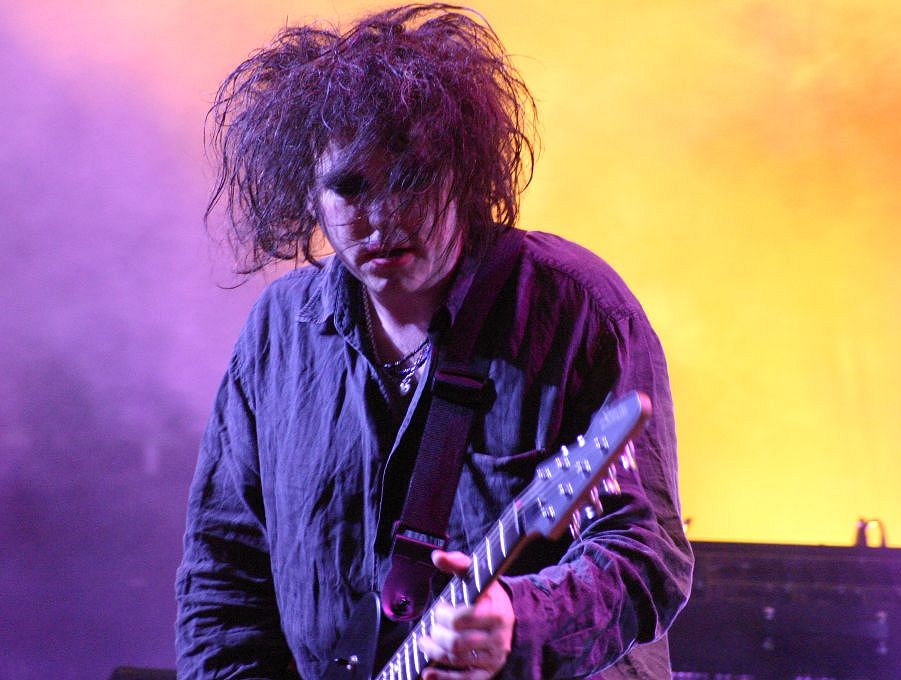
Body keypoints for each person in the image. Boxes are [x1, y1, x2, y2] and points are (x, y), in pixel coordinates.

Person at [175, 5, 692, 679]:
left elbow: (644, 555)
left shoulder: (577, 309)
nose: (382, 215)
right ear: (310, 192)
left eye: (411, 178)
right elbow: (224, 585)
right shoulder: (280, 333)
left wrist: (519, 619)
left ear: (466, 172)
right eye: (350, 186)